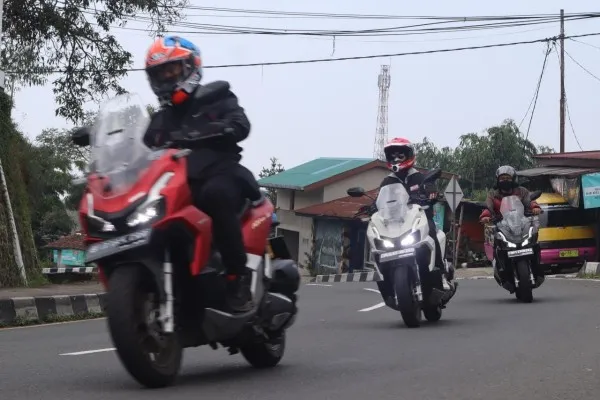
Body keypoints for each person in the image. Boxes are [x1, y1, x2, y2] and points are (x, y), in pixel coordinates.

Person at [142, 35, 261, 314]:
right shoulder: (161, 118)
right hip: (177, 183)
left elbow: (240, 123)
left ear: (190, 67)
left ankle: (236, 278)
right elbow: (143, 144)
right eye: (160, 73)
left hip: (220, 171)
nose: (167, 77)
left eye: (171, 69)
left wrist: (224, 127)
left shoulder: (217, 97)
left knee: (215, 195)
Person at [378, 137, 449, 280]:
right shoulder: (387, 181)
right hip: (396, 223)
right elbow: (379, 199)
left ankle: (440, 271)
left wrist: (432, 192)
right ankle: (385, 276)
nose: (396, 159)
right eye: (393, 156)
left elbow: (430, 187)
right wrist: (371, 206)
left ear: (408, 155)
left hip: (419, 219)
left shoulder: (419, 177)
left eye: (400, 155)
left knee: (431, 230)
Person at [479, 165, 542, 275]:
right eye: (502, 178)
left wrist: (535, 207)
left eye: (507, 178)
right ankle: (500, 269)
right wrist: (485, 216)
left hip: (522, 224)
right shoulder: (493, 195)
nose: (505, 180)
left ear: (513, 179)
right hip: (502, 226)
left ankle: (537, 266)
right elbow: (488, 208)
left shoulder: (522, 191)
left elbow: (529, 201)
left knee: (534, 241)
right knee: (497, 245)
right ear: (497, 180)